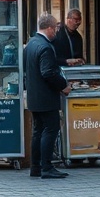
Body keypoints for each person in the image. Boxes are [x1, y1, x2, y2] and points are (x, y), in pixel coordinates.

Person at [23, 13, 72, 179]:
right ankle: (47, 167)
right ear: (50, 28)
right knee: (51, 129)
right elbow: (48, 72)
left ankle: (35, 167)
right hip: (46, 97)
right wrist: (63, 86)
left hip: (34, 97)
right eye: (56, 28)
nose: (57, 32)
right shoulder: (45, 47)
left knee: (38, 131)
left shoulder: (31, 44)